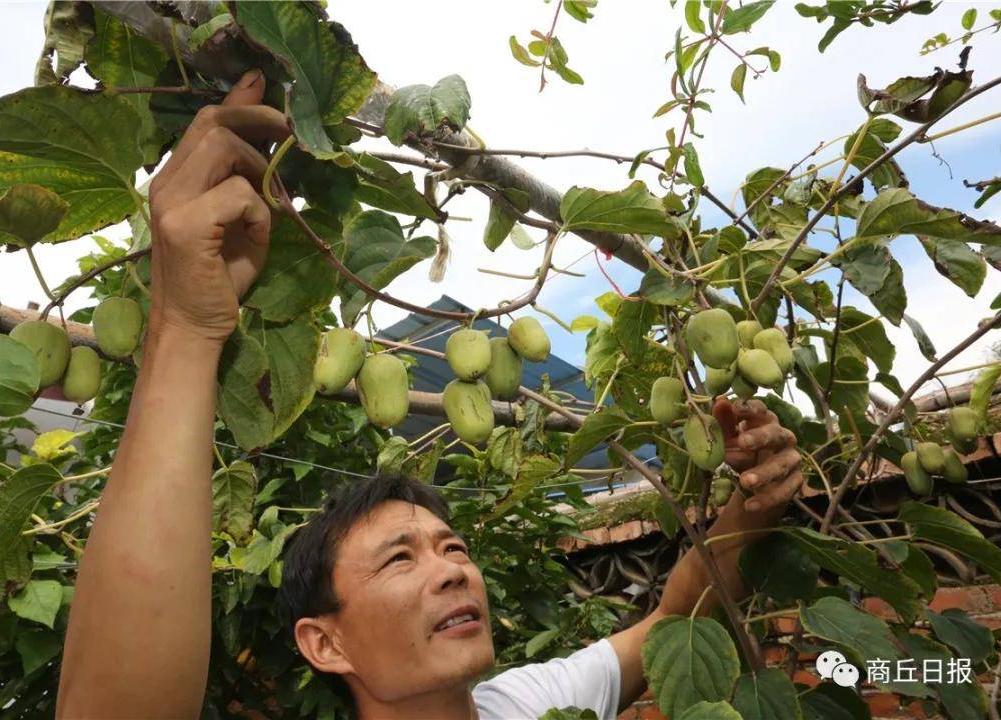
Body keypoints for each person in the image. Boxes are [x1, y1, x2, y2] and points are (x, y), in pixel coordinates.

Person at [56, 70, 805, 720]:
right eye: (399, 561)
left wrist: (754, 506)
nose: (453, 569)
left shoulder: (528, 704)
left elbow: (676, 619)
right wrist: (184, 330)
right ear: (324, 641)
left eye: (453, 548)